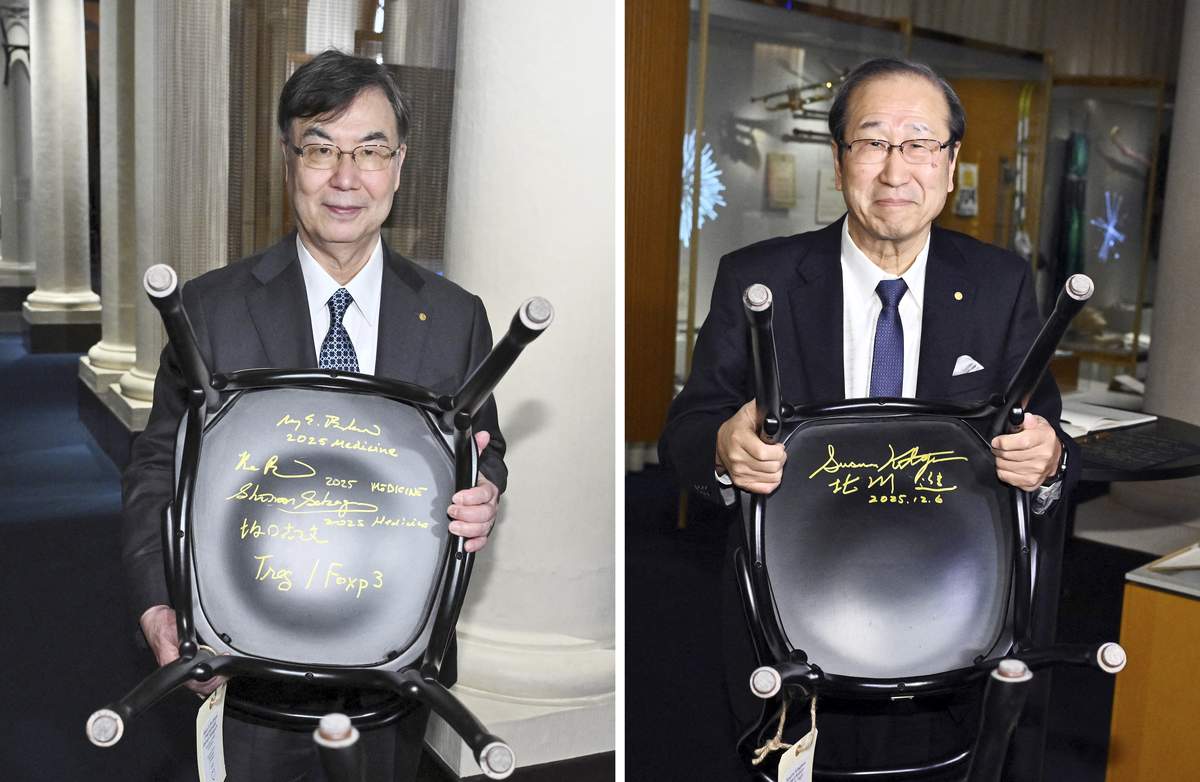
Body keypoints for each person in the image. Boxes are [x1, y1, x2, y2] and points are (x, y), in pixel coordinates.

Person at [660, 58, 1079, 777]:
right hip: (789, 614)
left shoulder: (999, 285)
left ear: (950, 164)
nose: (895, 168)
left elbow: (1043, 428)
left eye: (919, 143)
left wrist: (1047, 457)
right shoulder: (758, 278)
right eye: (873, 141)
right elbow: (687, 429)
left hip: (953, 612)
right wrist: (726, 448)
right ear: (838, 160)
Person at [121, 50, 503, 781]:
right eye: (321, 149)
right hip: (244, 670)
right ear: (288, 159)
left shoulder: (457, 319)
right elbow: (156, 463)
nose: (346, 178)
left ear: (400, 164)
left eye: (371, 150)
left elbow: (485, 449)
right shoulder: (210, 309)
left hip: (393, 669)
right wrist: (157, 605)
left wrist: (483, 490)